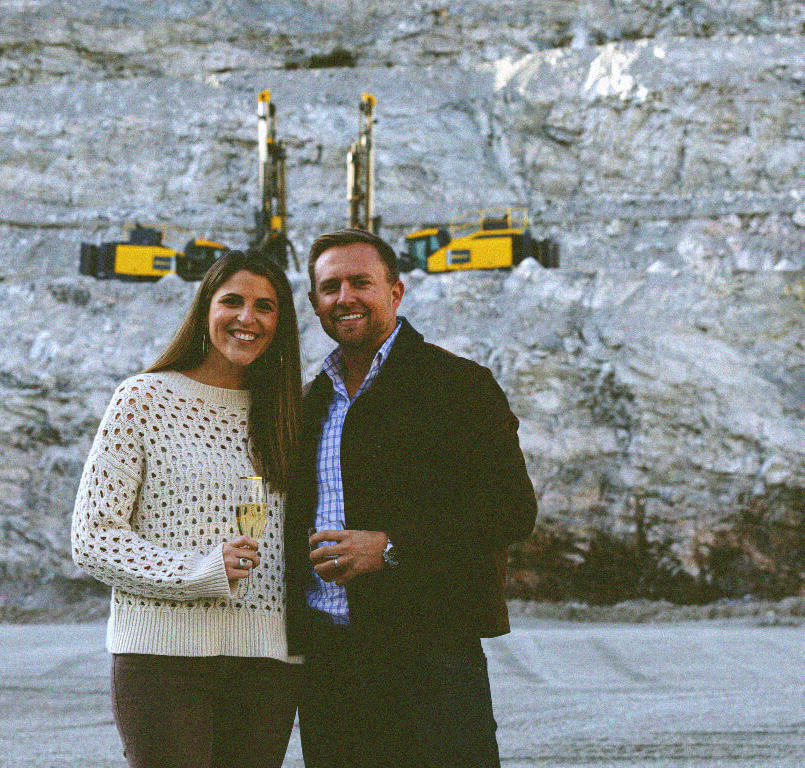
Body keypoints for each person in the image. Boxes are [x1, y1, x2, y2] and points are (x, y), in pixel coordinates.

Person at [284, 228, 537, 768]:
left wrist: (391, 546)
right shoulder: (310, 403)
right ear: (314, 303)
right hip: (332, 668)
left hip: (432, 661)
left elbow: (511, 509)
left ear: (395, 293)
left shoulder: (458, 386)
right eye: (330, 288)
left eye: (361, 282)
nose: (345, 298)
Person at [71, 250, 303, 768]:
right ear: (204, 310)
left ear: (280, 324)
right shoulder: (143, 399)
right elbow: (93, 536)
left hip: (267, 664)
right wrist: (198, 571)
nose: (248, 318)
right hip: (161, 661)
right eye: (233, 302)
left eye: (266, 307)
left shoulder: (291, 412)